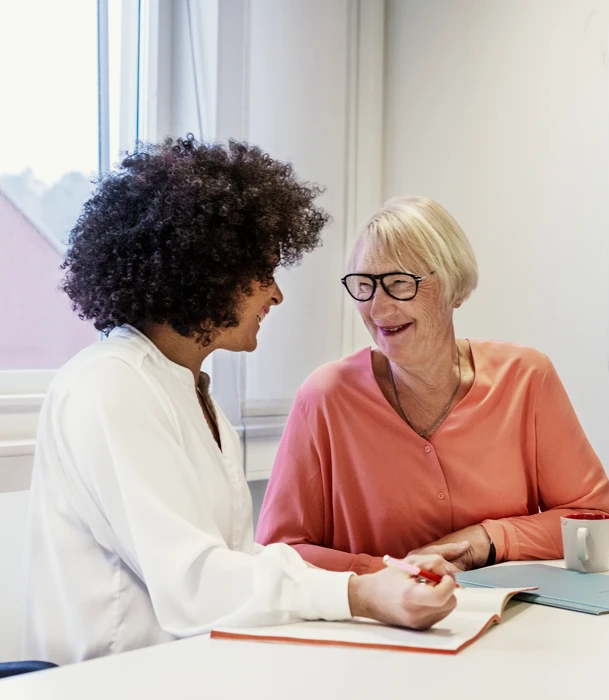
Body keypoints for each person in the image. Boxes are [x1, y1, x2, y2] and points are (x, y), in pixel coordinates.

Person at [22, 140, 456, 666]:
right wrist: (359, 595)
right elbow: (193, 583)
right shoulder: (110, 384)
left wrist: (379, 578)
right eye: (264, 273)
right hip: (108, 682)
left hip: (183, 670)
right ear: (208, 269)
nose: (276, 295)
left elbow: (235, 560)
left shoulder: (186, 389)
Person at [256, 196, 609, 574]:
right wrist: (388, 575)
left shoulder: (526, 377)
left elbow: (595, 522)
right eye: (364, 285)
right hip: (379, 612)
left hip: (512, 609)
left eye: (400, 283)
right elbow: (277, 553)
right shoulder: (325, 397)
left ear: (453, 288)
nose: (377, 309)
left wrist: (484, 540)